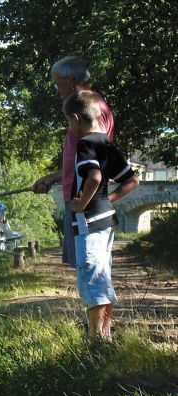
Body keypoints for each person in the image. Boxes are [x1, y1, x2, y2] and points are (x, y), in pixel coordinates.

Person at [64, 90, 138, 342]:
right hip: (105, 220)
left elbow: (94, 177)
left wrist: (81, 203)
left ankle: (95, 340)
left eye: (68, 122)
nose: (69, 128)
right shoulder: (105, 143)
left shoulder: (85, 144)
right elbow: (132, 181)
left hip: (89, 222)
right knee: (103, 277)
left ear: (76, 118)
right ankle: (105, 336)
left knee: (91, 279)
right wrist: (109, 200)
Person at [33, 56, 115, 267]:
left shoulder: (91, 112)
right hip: (81, 200)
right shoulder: (87, 108)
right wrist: (53, 178)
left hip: (85, 205)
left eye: (58, 84)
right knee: (87, 268)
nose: (57, 90)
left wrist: (82, 203)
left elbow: (95, 167)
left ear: (71, 81)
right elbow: (84, 162)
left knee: (90, 267)